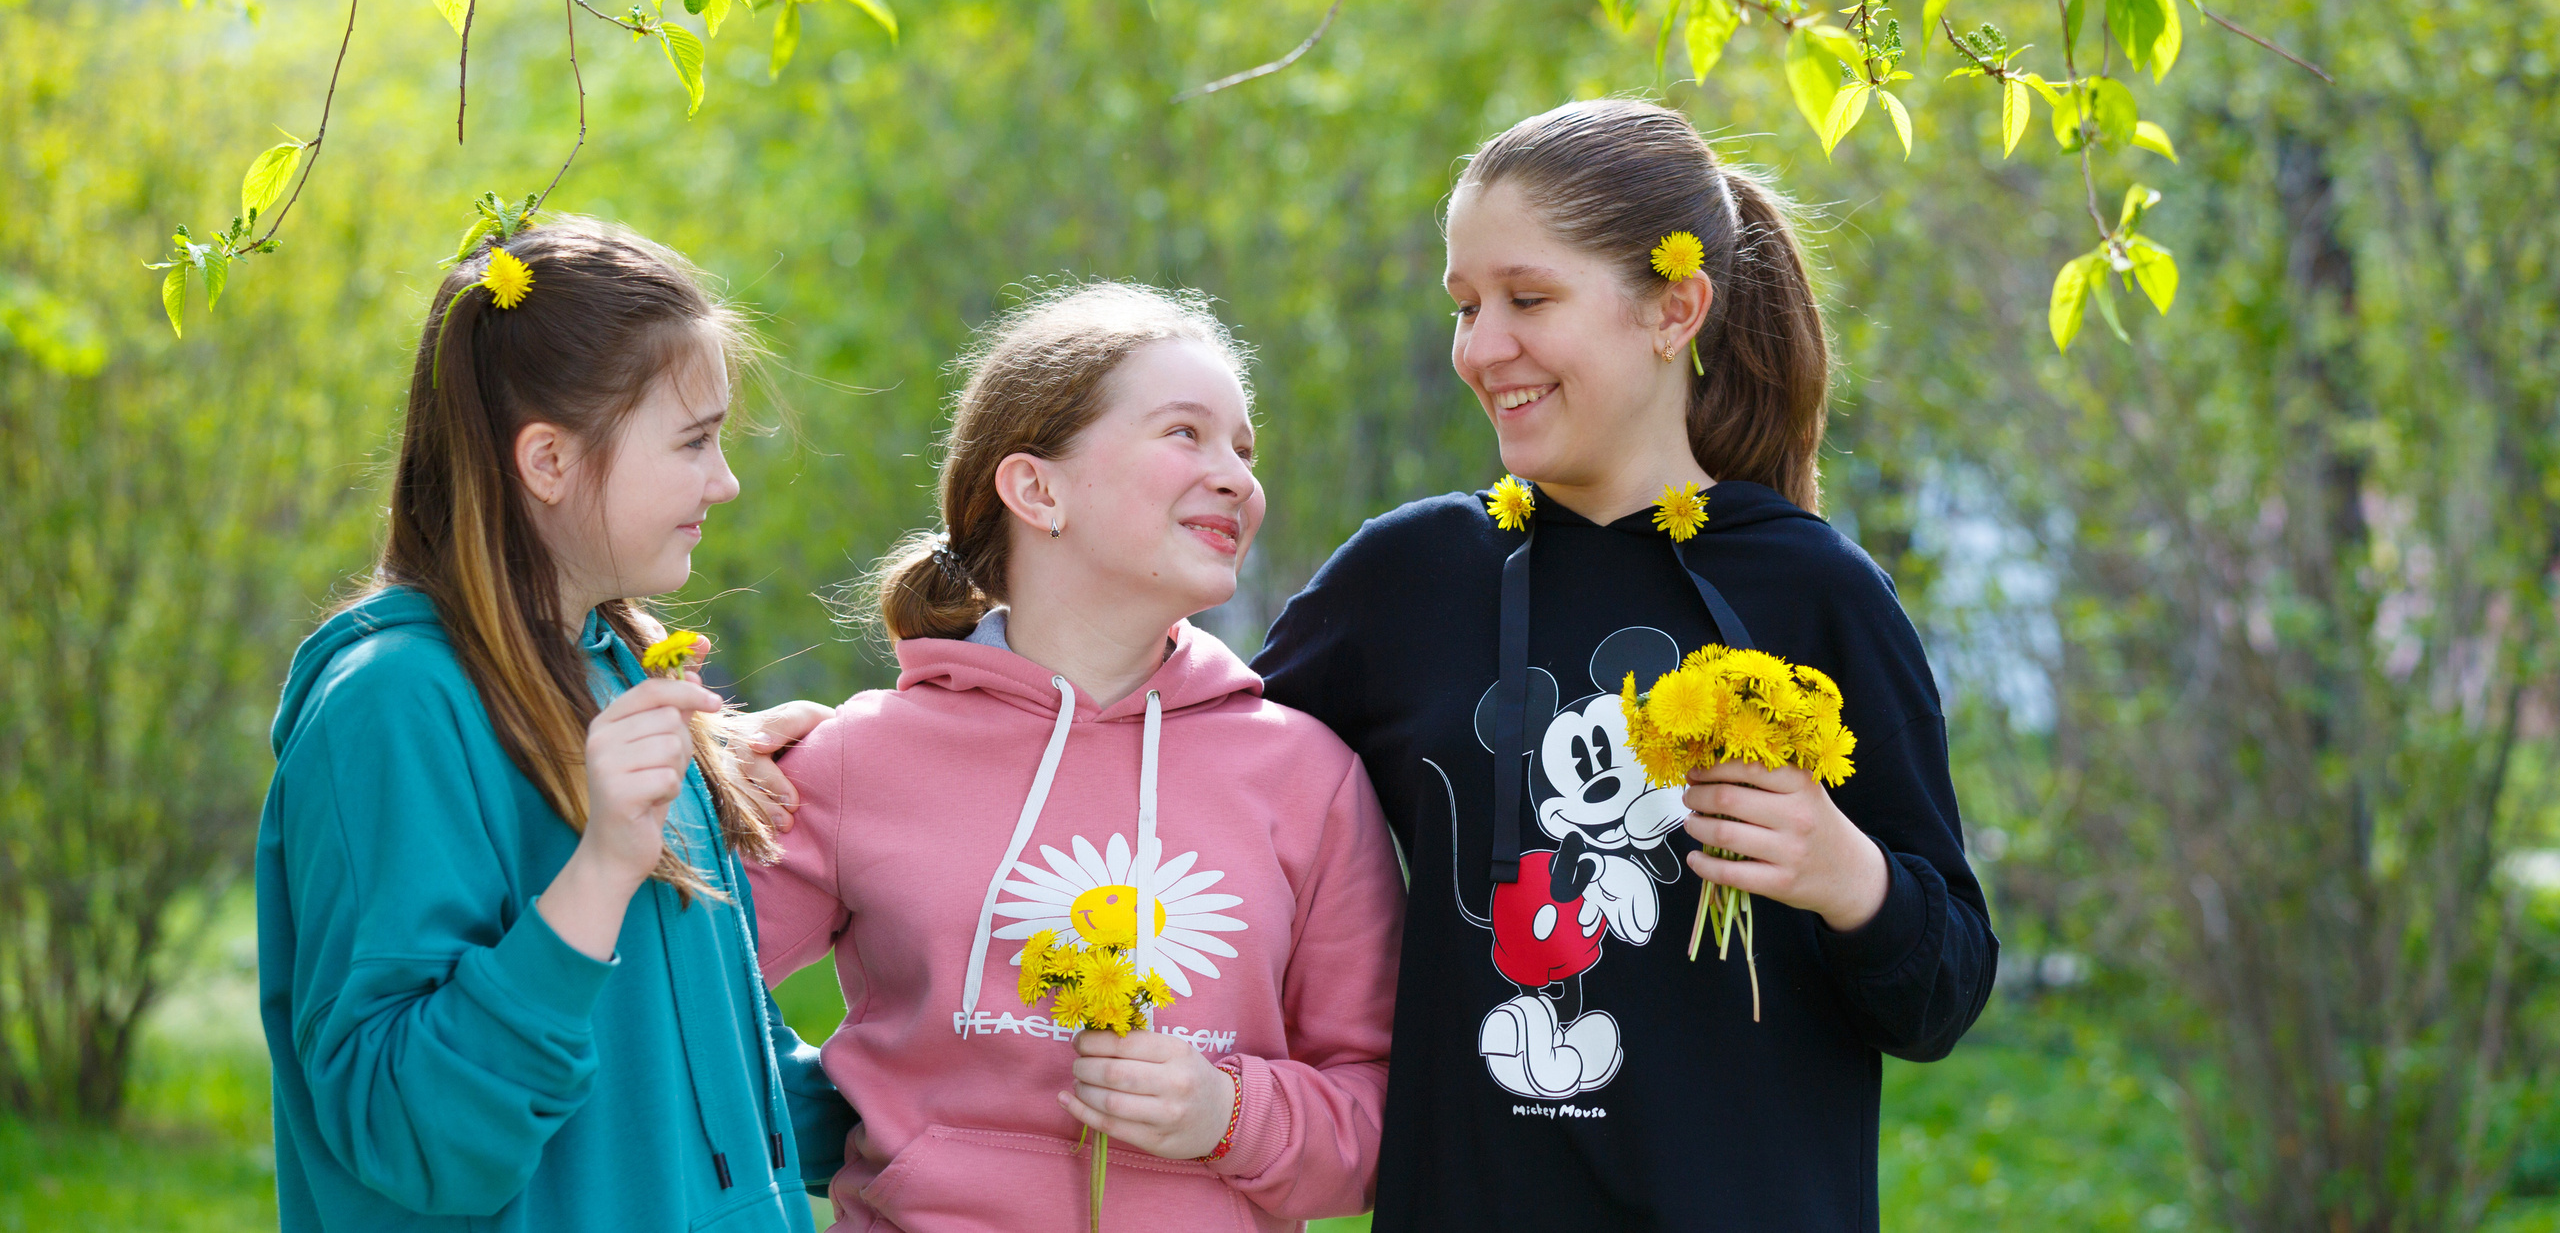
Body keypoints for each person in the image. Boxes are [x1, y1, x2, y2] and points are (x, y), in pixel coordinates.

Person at [1255, 99, 1998, 1231]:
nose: (1479, 347)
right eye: (1463, 307)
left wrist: (1845, 873)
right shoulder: (1403, 581)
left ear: (1672, 308)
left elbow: (1939, 995)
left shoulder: (1813, 593)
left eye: (1527, 299)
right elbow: (1216, 785)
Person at [748, 283, 1404, 1233]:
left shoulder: (1309, 776)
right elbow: (669, 983)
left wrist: (1230, 1115)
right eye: (1186, 432)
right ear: (1036, 489)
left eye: (1244, 450)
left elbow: (1390, 1110)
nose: (1237, 478)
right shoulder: (860, 755)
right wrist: (699, 778)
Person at [255, 216, 851, 1233]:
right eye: (694, 442)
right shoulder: (390, 709)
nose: (725, 481)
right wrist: (602, 868)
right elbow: (411, 1139)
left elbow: (702, 1083)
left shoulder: (621, 669)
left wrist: (959, 1101)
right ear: (547, 460)